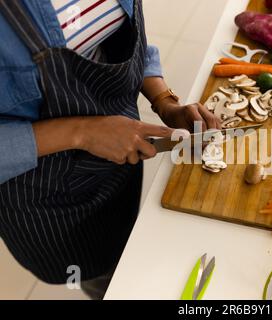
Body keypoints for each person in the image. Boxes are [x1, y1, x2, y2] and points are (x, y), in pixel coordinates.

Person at [0, 0, 219, 299]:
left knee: (132, 248)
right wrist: (83, 132)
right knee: (109, 282)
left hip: (119, 164)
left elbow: (117, 36)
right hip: (49, 203)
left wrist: (165, 101)